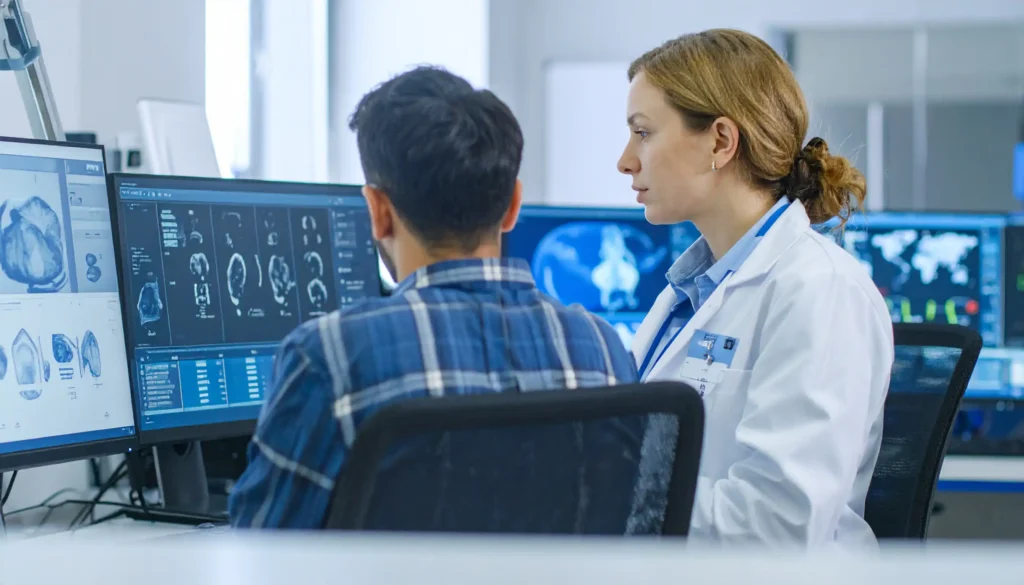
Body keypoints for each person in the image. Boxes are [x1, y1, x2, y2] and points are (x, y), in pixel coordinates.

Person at [228, 66, 639, 529]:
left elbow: (260, 549)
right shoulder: (604, 350)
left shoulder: (332, 356)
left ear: (378, 211)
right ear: (512, 206)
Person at [618, 29, 893, 546]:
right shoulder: (686, 294)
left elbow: (777, 525)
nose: (626, 160)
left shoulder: (819, 290)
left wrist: (607, 491)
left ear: (721, 141)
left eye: (643, 133)